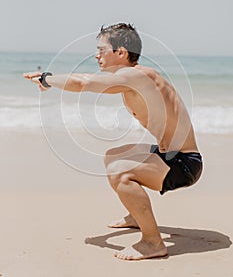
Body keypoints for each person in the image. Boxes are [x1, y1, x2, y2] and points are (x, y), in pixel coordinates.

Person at [24, 23, 203, 261]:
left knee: (120, 172)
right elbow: (85, 80)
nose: (96, 55)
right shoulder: (137, 75)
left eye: (101, 49)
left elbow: (84, 83)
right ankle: (136, 216)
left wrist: (46, 79)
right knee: (114, 155)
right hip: (171, 155)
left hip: (184, 164)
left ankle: (153, 242)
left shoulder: (135, 75)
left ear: (121, 52)